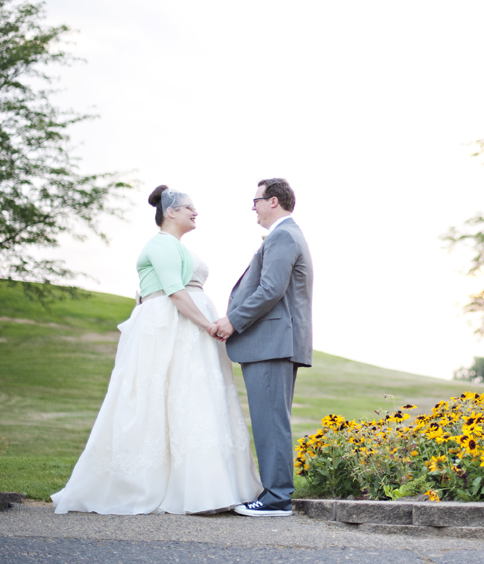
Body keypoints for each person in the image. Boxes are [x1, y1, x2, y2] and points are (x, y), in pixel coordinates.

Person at [52, 186, 261, 515]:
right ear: (171, 212)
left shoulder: (176, 246)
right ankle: (162, 487)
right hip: (170, 328)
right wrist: (207, 325)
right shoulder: (161, 244)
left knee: (193, 398)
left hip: (186, 330)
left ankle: (209, 487)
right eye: (189, 207)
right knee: (162, 397)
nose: (196, 212)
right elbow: (174, 292)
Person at [214, 178, 313, 517]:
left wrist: (233, 320)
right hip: (274, 344)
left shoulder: (283, 235)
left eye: (255, 201)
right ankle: (275, 494)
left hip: (272, 344)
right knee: (271, 420)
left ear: (273, 201)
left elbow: (271, 290)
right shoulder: (287, 235)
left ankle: (276, 499)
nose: (253, 207)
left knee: (271, 422)